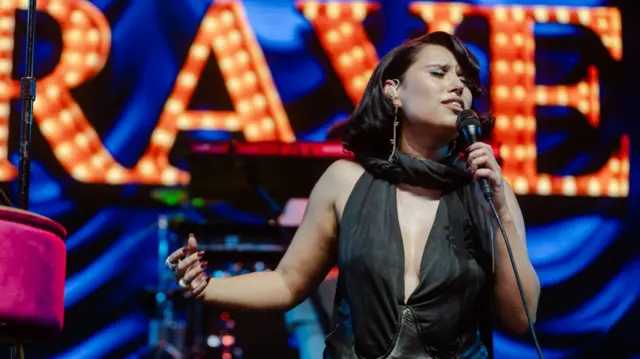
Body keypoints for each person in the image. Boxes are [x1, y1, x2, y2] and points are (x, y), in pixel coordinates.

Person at [164, 31, 540, 359]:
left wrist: (502, 212)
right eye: (439, 73)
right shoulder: (345, 182)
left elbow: (521, 317)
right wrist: (208, 289)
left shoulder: (489, 190)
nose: (457, 86)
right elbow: (288, 283)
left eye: (464, 81)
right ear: (393, 91)